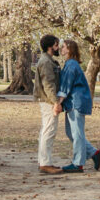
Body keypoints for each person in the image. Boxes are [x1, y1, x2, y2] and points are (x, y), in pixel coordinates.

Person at [54, 39, 100, 173]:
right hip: (73, 102)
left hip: (76, 102)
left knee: (77, 133)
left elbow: (66, 86)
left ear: (69, 49)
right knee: (71, 132)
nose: (61, 49)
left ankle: (78, 163)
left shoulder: (71, 65)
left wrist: (58, 103)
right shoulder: (70, 64)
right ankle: (94, 153)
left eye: (63, 47)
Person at [33, 34, 64, 174]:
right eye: (57, 45)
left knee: (46, 130)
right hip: (48, 101)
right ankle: (45, 164)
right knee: (49, 131)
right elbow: (48, 84)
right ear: (50, 47)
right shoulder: (46, 62)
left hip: (47, 100)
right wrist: (56, 103)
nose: (59, 47)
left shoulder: (48, 60)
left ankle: (44, 161)